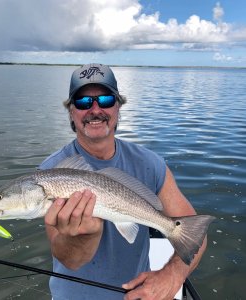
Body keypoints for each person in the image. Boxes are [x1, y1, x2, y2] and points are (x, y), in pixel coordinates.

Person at [39, 63, 207, 300]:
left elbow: (193, 233)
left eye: (106, 100)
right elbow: (70, 260)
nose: (95, 110)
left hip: (136, 295)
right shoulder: (51, 172)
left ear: (118, 107)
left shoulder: (150, 163)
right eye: (83, 102)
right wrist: (85, 236)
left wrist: (172, 275)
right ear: (71, 112)